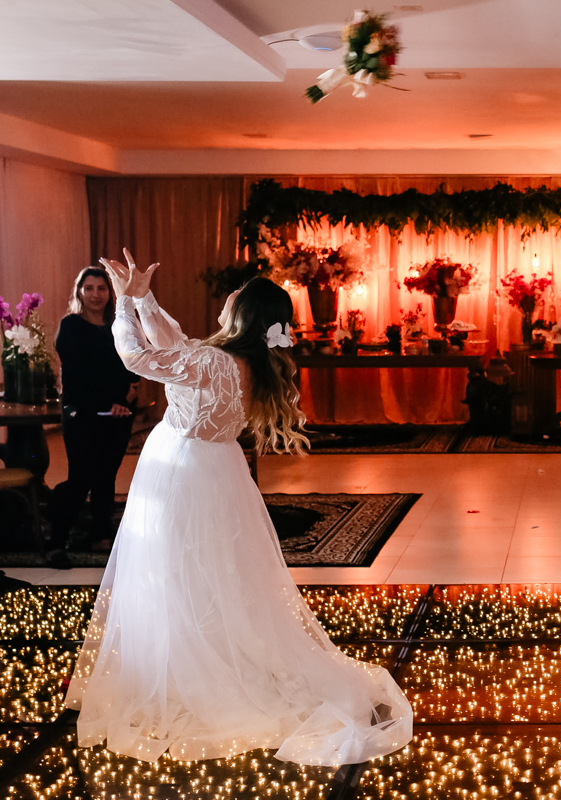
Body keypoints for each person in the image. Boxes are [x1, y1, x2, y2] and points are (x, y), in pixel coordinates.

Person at [66, 250, 412, 765]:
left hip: (181, 470)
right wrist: (143, 298)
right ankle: (205, 658)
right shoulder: (244, 362)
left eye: (235, 297)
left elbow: (138, 358)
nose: (227, 298)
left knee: (177, 572)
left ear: (244, 314)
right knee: (213, 574)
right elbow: (175, 344)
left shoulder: (213, 361)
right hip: (218, 470)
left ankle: (189, 673)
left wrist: (123, 306)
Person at [48, 267, 139, 567]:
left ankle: (101, 534)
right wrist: (114, 398)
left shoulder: (120, 326)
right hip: (82, 412)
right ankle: (56, 541)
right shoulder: (71, 326)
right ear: (80, 292)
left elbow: (132, 366)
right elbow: (79, 375)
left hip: (119, 412)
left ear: (110, 294)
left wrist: (125, 398)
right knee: (81, 477)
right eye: (89, 288)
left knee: (105, 475)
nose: (96, 295)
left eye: (101, 288)